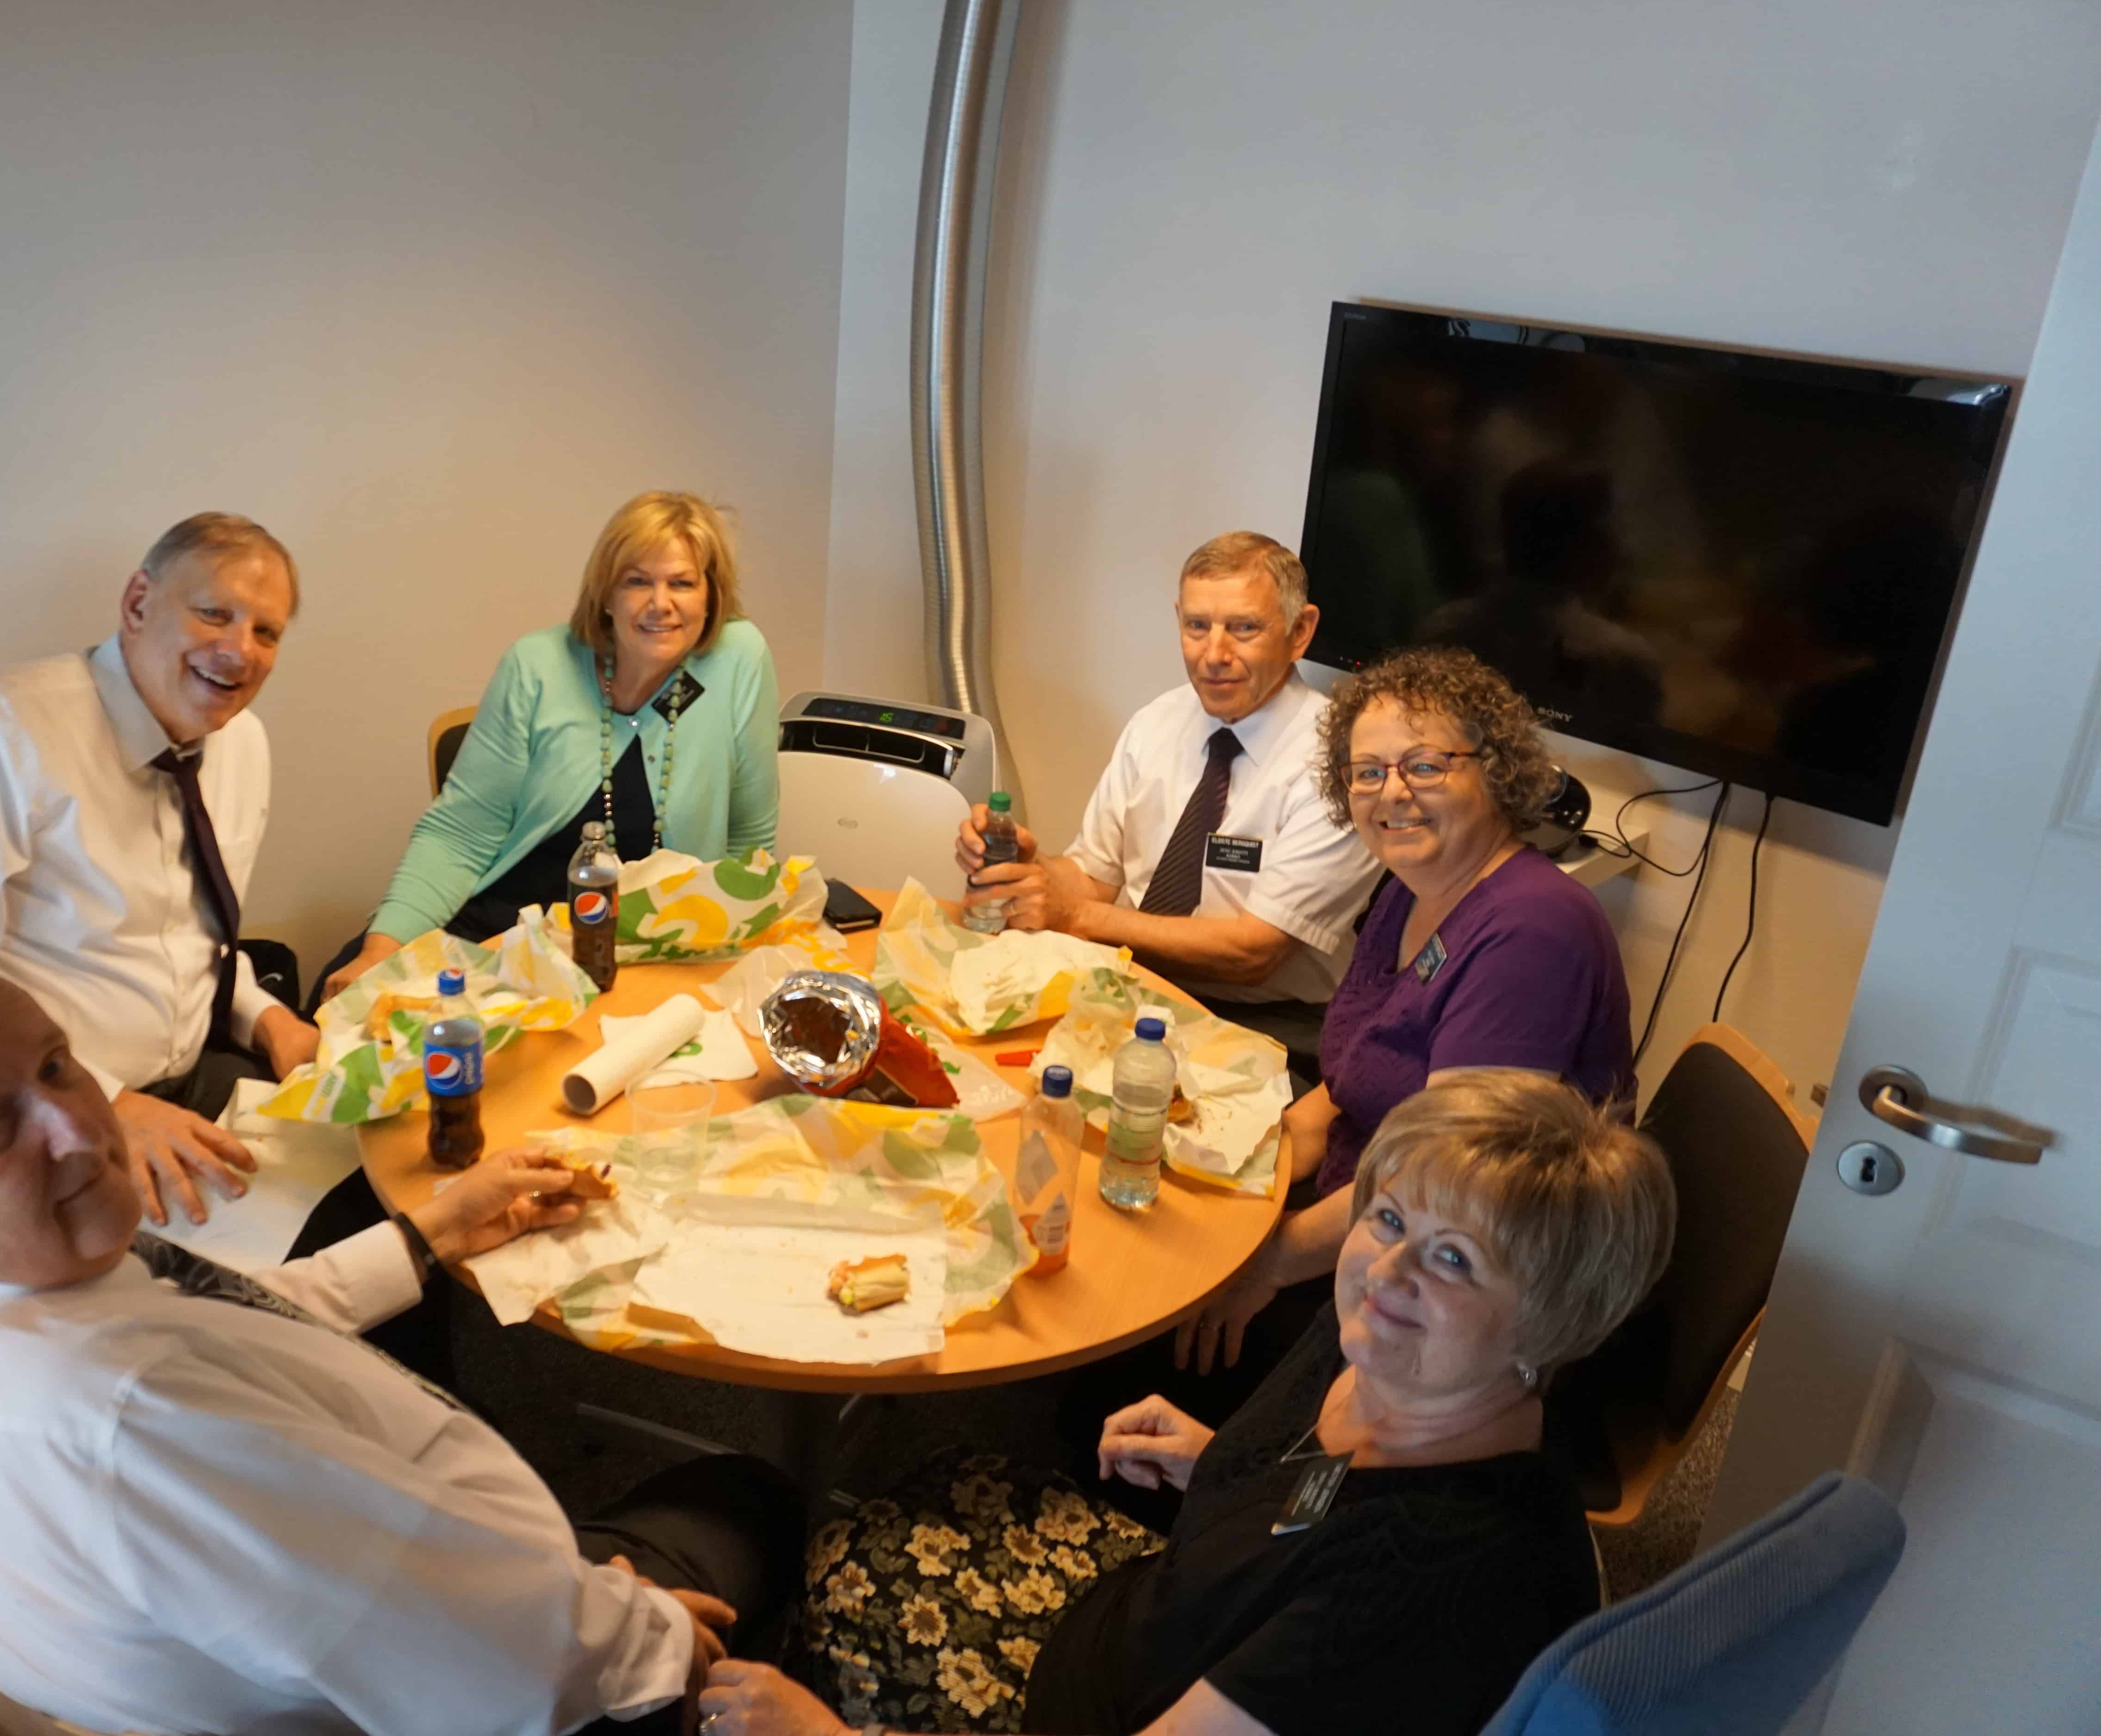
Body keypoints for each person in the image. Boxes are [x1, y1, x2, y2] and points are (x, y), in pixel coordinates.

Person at [0, 953, 804, 1736]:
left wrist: (428, 1237)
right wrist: (652, 1639)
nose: (81, 1130)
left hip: (211, 1651)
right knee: (750, 1498)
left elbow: (222, 1319)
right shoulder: (151, 1422)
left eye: (55, 1064)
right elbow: (502, 1656)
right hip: (477, 1678)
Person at [697, 1073, 1674, 1736]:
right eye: (1389, 1217)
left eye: (1455, 1258)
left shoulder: (1424, 1586)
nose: (1388, 1270)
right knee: (901, 1511)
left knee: (827, 1580)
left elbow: (1351, 1564)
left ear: (1555, 1320)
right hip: (1140, 1624)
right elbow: (1331, 1506)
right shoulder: (1392, 1363)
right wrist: (1225, 1465)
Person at [1157, 644, 1635, 1428]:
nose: (1392, 793)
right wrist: (1246, 1181)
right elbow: (1345, 1085)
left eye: (1425, 766)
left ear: (1495, 771)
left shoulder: (1532, 933)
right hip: (1364, 1208)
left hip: (1452, 1283)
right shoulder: (1412, 888)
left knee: (1151, 1346)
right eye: (1368, 772)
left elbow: (1439, 1187)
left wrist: (1265, 1263)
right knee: (1173, 1236)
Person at [0, 511, 320, 1227]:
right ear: (137, 605)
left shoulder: (240, 743)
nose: (239, 651)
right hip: (29, 1115)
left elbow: (185, 937)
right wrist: (105, 1101)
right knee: (239, 1277)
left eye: (267, 632)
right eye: (213, 614)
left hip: (184, 1080)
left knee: (373, 1197)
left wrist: (269, 1019)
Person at [321, 491, 780, 997]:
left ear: (712, 596)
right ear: (605, 595)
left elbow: (749, 840)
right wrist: (381, 951)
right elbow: (460, 833)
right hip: (500, 935)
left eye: (682, 583)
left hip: (645, 955)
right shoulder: (536, 666)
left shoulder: (739, 659)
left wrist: (725, 964)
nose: (661, 603)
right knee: (344, 1010)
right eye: (637, 581)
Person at [957, 532, 1382, 1074]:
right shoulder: (1157, 723)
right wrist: (1025, 868)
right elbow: (1092, 879)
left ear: (1300, 632)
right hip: (1135, 987)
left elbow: (1253, 953)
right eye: (1197, 626)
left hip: (1269, 1023)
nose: (1214, 656)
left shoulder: (1342, 761)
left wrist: (1077, 916)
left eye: (1244, 629)